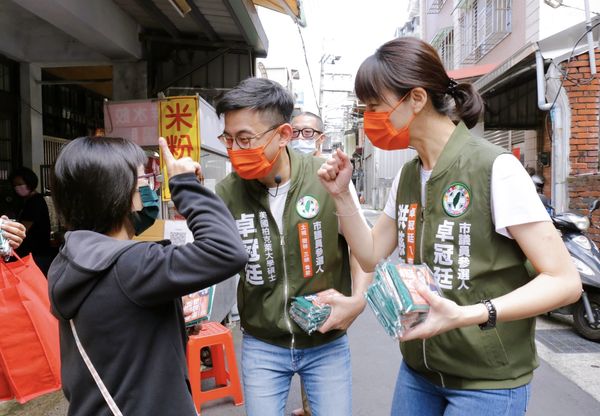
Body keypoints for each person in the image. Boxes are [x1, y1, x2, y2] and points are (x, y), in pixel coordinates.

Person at [317, 37, 582, 416]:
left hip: (486, 382)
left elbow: (564, 281)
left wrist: (467, 314)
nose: (371, 119)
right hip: (419, 370)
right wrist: (342, 196)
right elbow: (372, 254)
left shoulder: (494, 168)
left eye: (375, 106)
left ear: (417, 99)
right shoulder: (408, 176)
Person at [47, 136, 248, 416]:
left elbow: (117, 328)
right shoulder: (132, 264)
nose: (150, 189)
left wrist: (168, 323)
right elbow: (228, 251)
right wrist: (185, 186)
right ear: (119, 193)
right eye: (143, 181)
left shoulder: (70, 257)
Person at [214, 77, 371, 416]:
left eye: (244, 139)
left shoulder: (327, 178)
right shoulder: (227, 193)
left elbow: (363, 250)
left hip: (325, 342)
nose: (235, 150)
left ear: (283, 134)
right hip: (262, 344)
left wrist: (357, 300)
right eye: (228, 139)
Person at [9, 167, 52, 273]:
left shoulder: (35, 202)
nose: (17, 188)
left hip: (36, 255)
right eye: (15, 185)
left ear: (30, 183)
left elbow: (22, 230)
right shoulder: (27, 201)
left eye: (20, 184)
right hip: (34, 254)